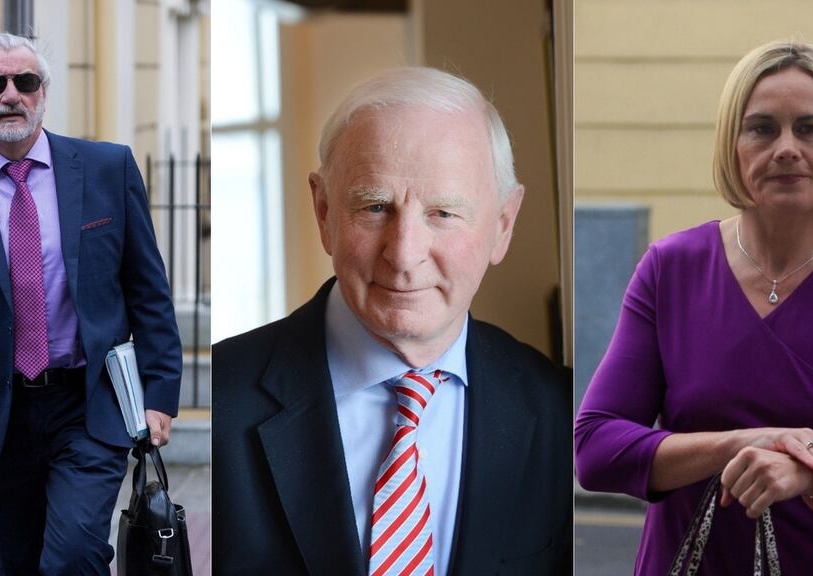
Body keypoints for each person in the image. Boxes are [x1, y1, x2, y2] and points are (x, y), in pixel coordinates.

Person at [575, 40, 813, 574]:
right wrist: (742, 445)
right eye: (762, 128)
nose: (786, 147)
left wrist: (809, 474)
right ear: (732, 145)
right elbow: (596, 446)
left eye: (809, 127)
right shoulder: (670, 267)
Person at [213, 67, 571, 575]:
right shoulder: (226, 393)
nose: (404, 256)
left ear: (503, 225)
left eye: (444, 213)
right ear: (323, 211)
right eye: (375, 207)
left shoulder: (558, 408)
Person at [0, 33, 182, 575]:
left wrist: (159, 394)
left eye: (25, 82)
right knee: (17, 564)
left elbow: (149, 291)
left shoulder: (108, 169)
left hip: (86, 404)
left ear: (43, 94)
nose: (11, 95)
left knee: (75, 555)